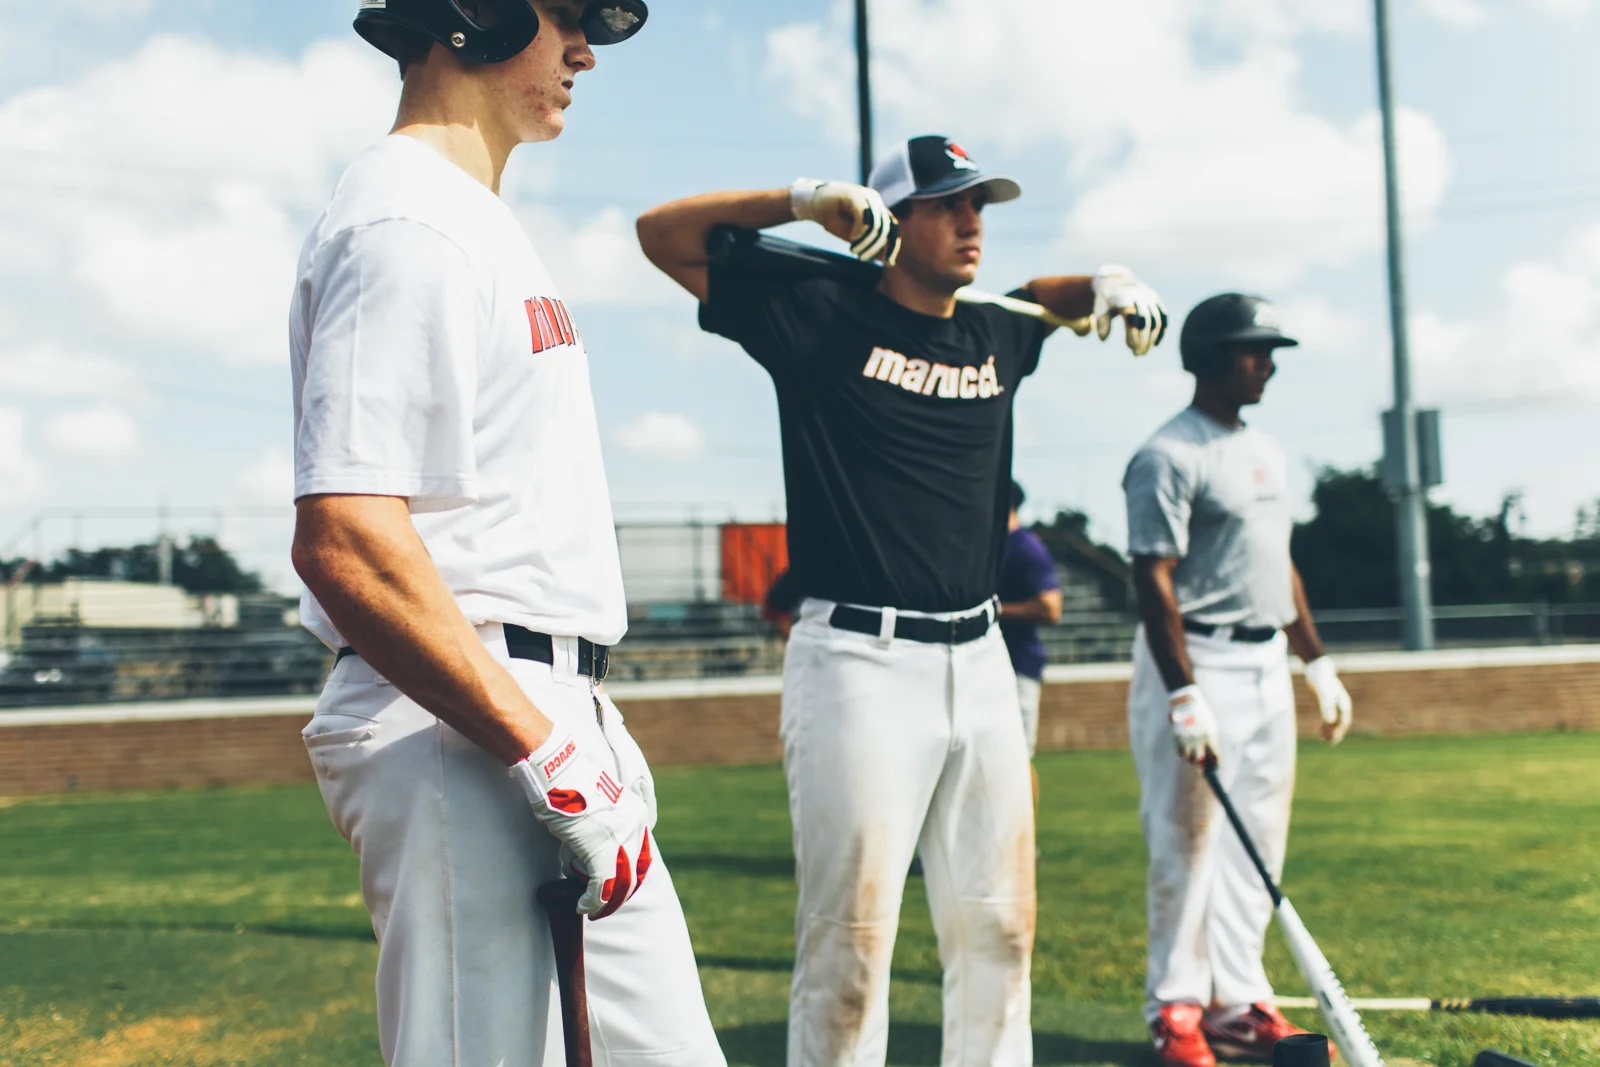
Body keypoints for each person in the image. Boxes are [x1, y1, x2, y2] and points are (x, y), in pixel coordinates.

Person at [636, 134, 1168, 1067]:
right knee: (852, 940)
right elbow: (661, 235)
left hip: (984, 660)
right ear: (889, 217)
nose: (972, 222)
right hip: (859, 662)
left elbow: (1046, 300)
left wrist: (1104, 285)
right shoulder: (816, 312)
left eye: (979, 205)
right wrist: (804, 201)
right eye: (949, 203)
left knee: (1001, 929)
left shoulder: (995, 329)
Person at [287, 3, 724, 1065]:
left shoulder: (466, 214)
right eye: (563, 15)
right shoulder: (406, 220)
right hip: (462, 726)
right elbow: (346, 534)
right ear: (470, 14)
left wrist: (571, 732)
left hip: (531, 712)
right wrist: (542, 745)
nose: (584, 51)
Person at [1122, 294, 1355, 1067]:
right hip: (1197, 657)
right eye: (1254, 350)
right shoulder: (1167, 454)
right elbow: (1152, 576)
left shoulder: (1266, 451)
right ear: (1209, 356)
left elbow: (1277, 563)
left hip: (1263, 664)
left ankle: (1237, 1002)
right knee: (1186, 840)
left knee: (1258, 837)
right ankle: (1175, 1006)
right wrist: (1182, 692)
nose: (1268, 366)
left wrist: (1314, 659)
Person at [998, 480, 1063, 762]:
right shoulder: (992, 546)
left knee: (1018, 761)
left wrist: (995, 611)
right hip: (995, 663)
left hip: (1018, 664)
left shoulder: (1024, 546)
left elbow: (1051, 608)